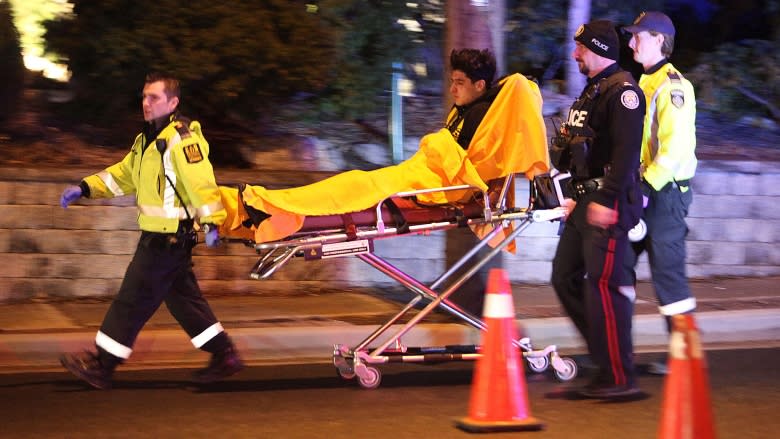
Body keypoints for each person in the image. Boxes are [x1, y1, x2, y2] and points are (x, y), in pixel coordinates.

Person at [58, 72, 243, 389]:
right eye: (144, 96)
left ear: (173, 102)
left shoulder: (182, 140)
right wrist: (86, 187)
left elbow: (201, 184)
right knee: (184, 302)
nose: (146, 103)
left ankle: (103, 365)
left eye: (154, 97)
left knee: (132, 298)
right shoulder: (146, 141)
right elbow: (124, 175)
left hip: (169, 237)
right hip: (161, 236)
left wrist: (211, 221)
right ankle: (224, 355)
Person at [550, 20, 645, 399]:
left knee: (603, 287)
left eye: (581, 48)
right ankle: (607, 359)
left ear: (601, 49)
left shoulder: (623, 93)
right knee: (564, 276)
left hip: (608, 200)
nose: (575, 54)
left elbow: (625, 153)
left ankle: (619, 377)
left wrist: (606, 200)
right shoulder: (593, 91)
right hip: (583, 200)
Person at [621, 11, 698, 374]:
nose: (632, 41)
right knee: (618, 266)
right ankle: (616, 352)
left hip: (663, 195)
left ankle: (685, 359)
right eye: (632, 35)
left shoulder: (673, 87)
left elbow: (674, 149)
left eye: (639, 36)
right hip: (645, 190)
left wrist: (646, 188)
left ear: (658, 40)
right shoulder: (645, 81)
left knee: (669, 278)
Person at [443, 48, 503, 318]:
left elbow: (466, 161)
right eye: (452, 81)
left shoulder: (482, 115)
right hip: (454, 195)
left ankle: (475, 315)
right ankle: (461, 309)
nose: (453, 89)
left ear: (479, 85)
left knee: (472, 261)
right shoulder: (462, 111)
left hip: (469, 200)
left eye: (460, 82)